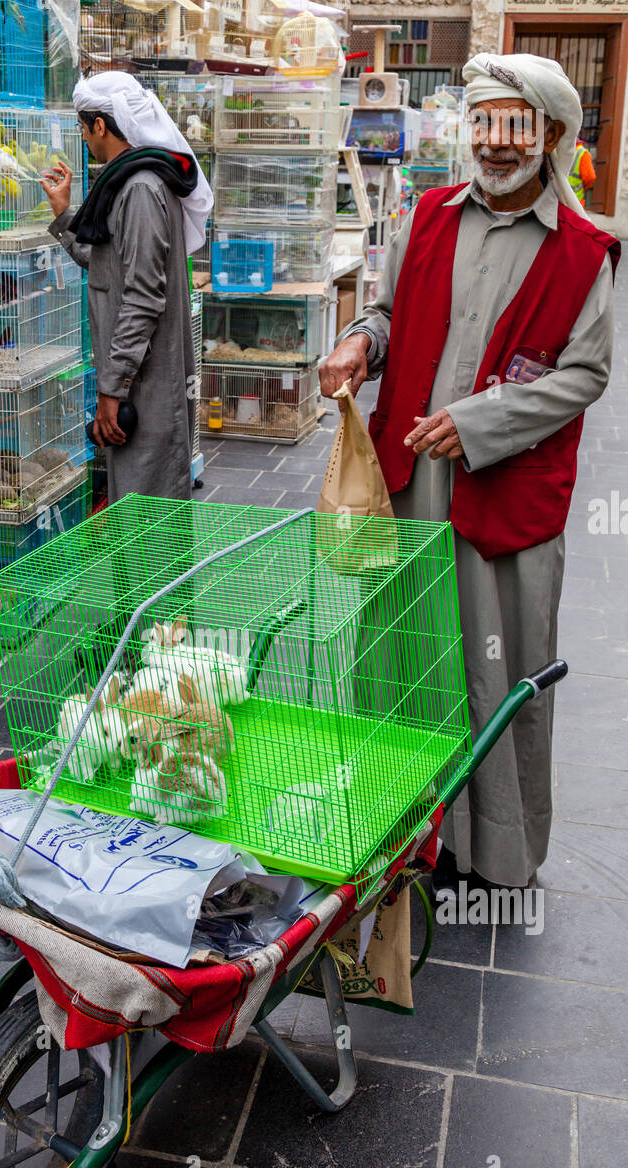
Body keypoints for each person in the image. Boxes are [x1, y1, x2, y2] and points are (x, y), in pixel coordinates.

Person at [319, 52, 619, 899]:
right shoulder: (427, 216)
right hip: (412, 485)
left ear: (551, 136)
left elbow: (584, 374)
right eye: (481, 122)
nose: (493, 143)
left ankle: (495, 848)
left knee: (498, 664)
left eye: (513, 125)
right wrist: (358, 343)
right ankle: (401, 821)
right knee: (405, 658)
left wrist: (482, 421)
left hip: (504, 494)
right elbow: (386, 310)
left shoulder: (585, 251)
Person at [42, 72, 213, 504]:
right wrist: (64, 216)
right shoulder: (132, 181)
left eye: (83, 127)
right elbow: (109, 270)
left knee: (147, 518)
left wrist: (111, 390)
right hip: (139, 379)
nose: (83, 138)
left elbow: (141, 299)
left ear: (101, 124)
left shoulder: (139, 189)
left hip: (147, 385)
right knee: (137, 511)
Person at [569, 135, 596, 208]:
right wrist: (582, 187)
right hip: (575, 201)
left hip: (557, 200)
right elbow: (590, 177)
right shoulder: (583, 153)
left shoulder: (557, 150)